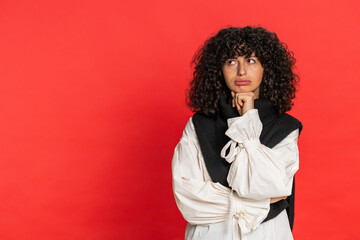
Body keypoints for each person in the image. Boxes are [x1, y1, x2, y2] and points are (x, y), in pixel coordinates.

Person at [171, 26, 303, 240]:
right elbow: (188, 198)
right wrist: (256, 202)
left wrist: (248, 118)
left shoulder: (285, 127)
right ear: (219, 69)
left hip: (267, 234)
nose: (241, 71)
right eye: (231, 61)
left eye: (251, 61)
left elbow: (268, 185)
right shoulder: (199, 124)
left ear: (265, 67)